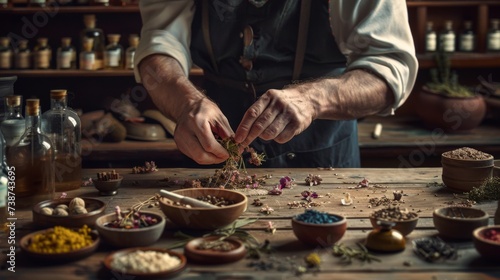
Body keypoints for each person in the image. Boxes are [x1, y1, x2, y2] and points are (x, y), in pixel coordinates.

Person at [134, 0, 418, 168]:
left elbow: (389, 68)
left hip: (323, 148)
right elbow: (159, 43)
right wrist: (187, 103)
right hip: (212, 143)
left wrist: (313, 99)